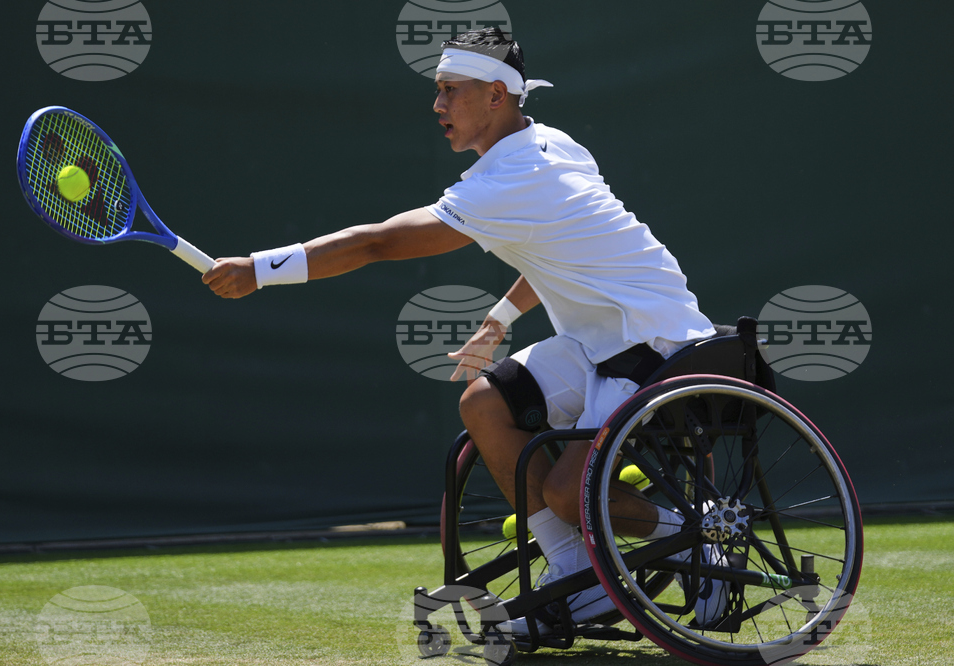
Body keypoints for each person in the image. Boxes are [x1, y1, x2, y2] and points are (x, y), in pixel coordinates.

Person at [202, 27, 727, 632]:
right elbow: (557, 253)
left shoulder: (512, 179)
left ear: (498, 95)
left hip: (654, 346)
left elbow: (376, 242)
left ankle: (689, 537)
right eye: (438, 91)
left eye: (451, 91)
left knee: (565, 493)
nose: (438, 105)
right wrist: (498, 320)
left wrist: (260, 271)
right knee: (483, 403)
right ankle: (573, 569)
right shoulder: (549, 144)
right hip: (598, 343)